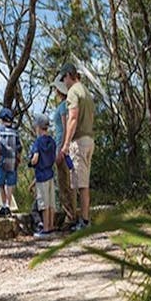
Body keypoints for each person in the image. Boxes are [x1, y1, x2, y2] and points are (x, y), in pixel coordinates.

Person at [58, 62, 95, 231]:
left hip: (79, 142)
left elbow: (72, 118)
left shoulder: (73, 92)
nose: (63, 83)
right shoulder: (86, 92)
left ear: (68, 75)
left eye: (63, 78)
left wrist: (66, 144)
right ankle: (84, 220)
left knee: (80, 185)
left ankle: (83, 222)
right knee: (82, 182)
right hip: (89, 140)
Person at [52, 77, 77, 227]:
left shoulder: (64, 106)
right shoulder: (64, 105)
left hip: (62, 148)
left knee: (64, 183)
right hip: (62, 146)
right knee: (66, 182)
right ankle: (70, 214)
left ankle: (70, 216)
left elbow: (65, 126)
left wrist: (62, 149)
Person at [29, 113, 57, 238]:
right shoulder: (52, 141)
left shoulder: (38, 142)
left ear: (38, 127)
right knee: (51, 203)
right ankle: (50, 227)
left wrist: (31, 163)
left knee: (43, 204)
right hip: (50, 174)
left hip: (41, 176)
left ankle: (45, 229)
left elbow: (35, 158)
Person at [0, 107, 21, 217]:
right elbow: (19, 147)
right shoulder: (15, 132)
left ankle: (4, 205)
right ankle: (8, 205)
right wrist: (19, 158)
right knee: (10, 184)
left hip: (3, 161)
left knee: (1, 183)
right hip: (13, 162)